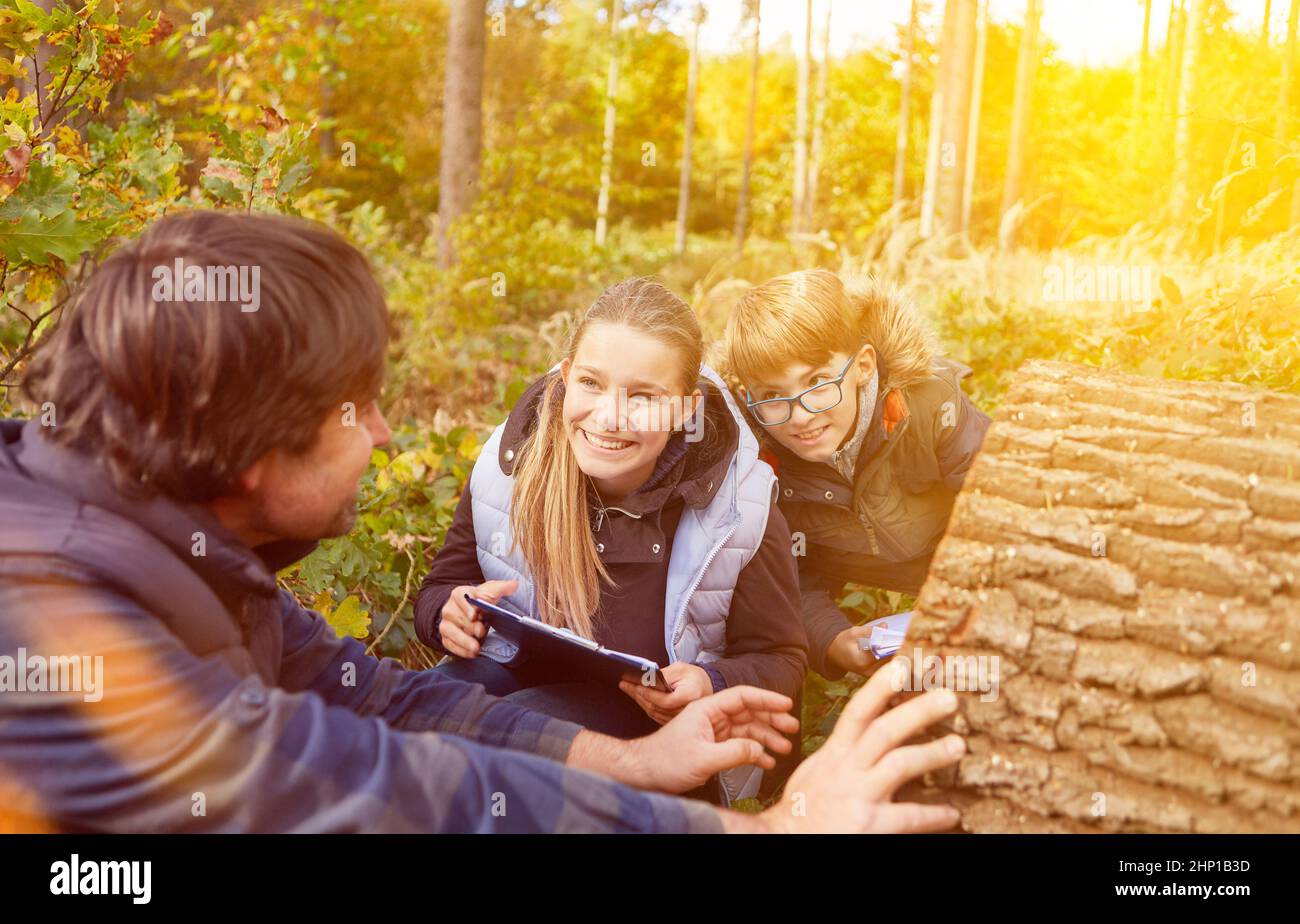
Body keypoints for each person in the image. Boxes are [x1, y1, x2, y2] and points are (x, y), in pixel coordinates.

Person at [0, 210, 964, 833]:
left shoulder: (184, 559)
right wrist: (769, 831)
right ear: (252, 444)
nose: (381, 430)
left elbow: (386, 703)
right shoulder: (48, 614)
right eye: (356, 406)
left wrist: (638, 757)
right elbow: (374, 792)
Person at [415, 278, 807, 803]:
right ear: (564, 379)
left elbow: (782, 659)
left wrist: (712, 682)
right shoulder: (509, 467)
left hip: (656, 736)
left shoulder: (740, 506)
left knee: (511, 740)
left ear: (687, 410)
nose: (609, 416)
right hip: (517, 677)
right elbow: (445, 582)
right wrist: (447, 613)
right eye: (591, 384)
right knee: (419, 716)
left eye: (644, 395)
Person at [724, 270, 991, 681]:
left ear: (863, 365)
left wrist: (975, 596)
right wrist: (832, 639)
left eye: (816, 382)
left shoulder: (930, 408)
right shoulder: (759, 461)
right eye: (772, 397)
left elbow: (1002, 513)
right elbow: (790, 577)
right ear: (747, 396)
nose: (801, 416)